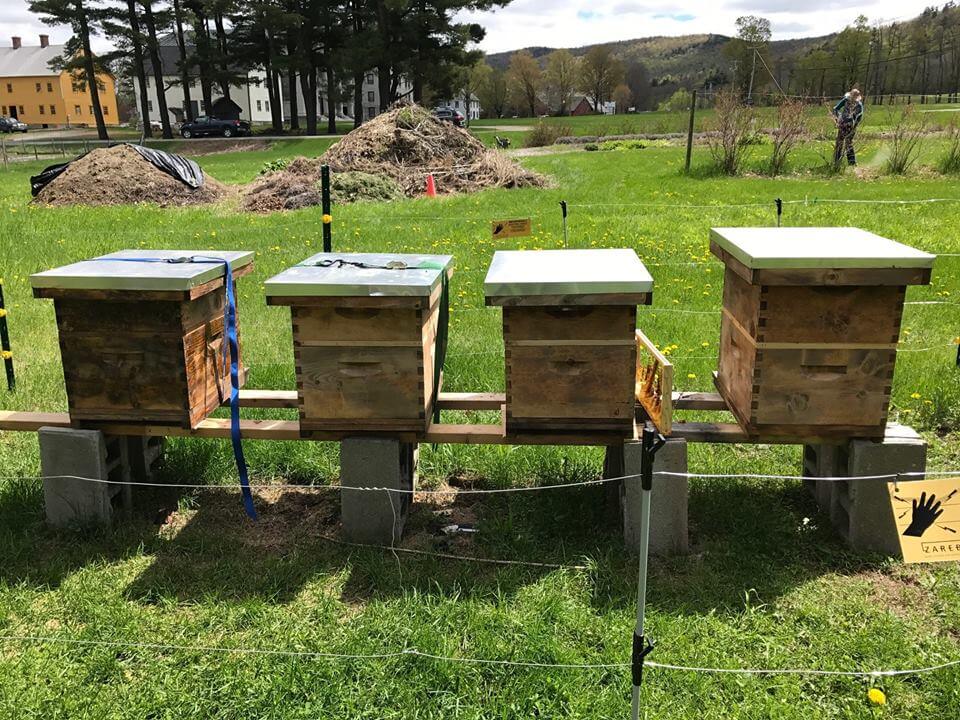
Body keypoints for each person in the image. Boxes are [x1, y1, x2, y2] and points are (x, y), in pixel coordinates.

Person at [832, 88, 864, 167]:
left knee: (845, 143)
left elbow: (859, 116)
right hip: (845, 124)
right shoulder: (848, 101)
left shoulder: (857, 105)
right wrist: (838, 118)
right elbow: (836, 109)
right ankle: (842, 162)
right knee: (843, 143)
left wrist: (853, 123)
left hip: (847, 125)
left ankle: (847, 162)